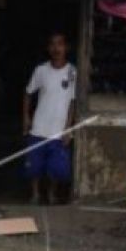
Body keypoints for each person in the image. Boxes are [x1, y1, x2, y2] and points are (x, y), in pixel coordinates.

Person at [21, 31, 77, 205]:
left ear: (66, 47)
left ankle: (52, 194)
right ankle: (36, 194)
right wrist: (26, 117)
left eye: (60, 44)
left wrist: (69, 128)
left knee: (56, 167)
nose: (56, 48)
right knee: (34, 165)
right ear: (48, 48)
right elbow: (28, 93)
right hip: (39, 125)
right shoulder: (41, 70)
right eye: (52, 44)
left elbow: (73, 102)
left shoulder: (72, 72)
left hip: (59, 128)